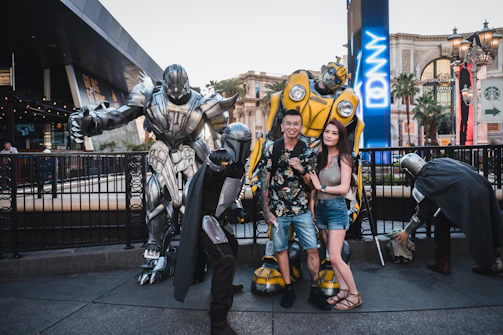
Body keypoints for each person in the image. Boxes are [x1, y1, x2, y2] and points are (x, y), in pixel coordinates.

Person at [69, 64, 238, 285]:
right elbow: (121, 115)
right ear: (166, 85)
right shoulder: (150, 96)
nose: (176, 91)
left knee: (196, 200)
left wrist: (225, 156)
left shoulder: (203, 101)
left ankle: (199, 252)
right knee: (154, 193)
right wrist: (93, 120)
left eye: (180, 87)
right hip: (163, 152)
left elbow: (223, 133)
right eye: (172, 87)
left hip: (193, 154)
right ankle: (155, 248)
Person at [174, 123, 251, 335]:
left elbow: (228, 193)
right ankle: (218, 322)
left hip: (218, 217)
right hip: (205, 219)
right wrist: (216, 164)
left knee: (232, 248)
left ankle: (223, 287)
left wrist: (237, 207)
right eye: (240, 143)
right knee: (224, 260)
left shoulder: (238, 166)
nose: (243, 147)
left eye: (246, 143)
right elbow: (213, 172)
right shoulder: (222, 160)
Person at [261, 109, 330, 310]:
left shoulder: (307, 151)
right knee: (280, 250)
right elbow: (264, 181)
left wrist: (301, 170)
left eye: (296, 124)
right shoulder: (272, 148)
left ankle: (315, 291)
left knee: (312, 249)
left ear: (301, 127)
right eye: (288, 123)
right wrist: (266, 211)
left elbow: (312, 186)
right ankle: (288, 288)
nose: (292, 127)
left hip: (302, 211)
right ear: (282, 126)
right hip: (278, 212)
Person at [394, 153, 503, 275]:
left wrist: (406, 232)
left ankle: (444, 262)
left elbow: (422, 213)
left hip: (468, 195)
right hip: (480, 184)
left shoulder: (422, 182)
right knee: (483, 224)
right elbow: (469, 168)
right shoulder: (441, 161)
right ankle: (495, 262)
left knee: (475, 228)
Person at [308, 119, 363, 311]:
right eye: (326, 132)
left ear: (340, 137)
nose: (328, 135)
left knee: (334, 256)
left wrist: (321, 186)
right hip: (322, 209)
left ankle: (355, 294)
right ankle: (343, 289)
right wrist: (313, 210)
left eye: (334, 133)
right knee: (331, 257)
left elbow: (344, 188)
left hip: (336, 209)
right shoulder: (320, 156)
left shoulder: (345, 158)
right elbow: (313, 190)